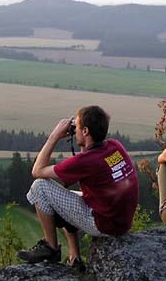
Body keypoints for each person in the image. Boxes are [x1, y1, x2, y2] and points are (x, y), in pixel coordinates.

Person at [19, 105, 139, 268]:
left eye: (78, 128)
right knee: (67, 195)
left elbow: (37, 171)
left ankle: (50, 247)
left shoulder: (86, 161)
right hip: (121, 220)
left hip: (104, 224)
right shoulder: (114, 146)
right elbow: (91, 163)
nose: (74, 131)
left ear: (86, 131)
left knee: (40, 187)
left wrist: (54, 136)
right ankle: (75, 256)